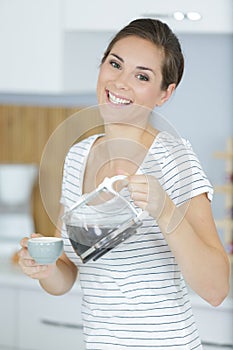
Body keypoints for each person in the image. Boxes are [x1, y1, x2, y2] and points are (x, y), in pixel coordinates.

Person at [18, 18, 230, 349]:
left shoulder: (174, 158)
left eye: (142, 76)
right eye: (115, 64)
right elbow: (67, 273)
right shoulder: (78, 156)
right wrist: (44, 268)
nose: (120, 82)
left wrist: (164, 209)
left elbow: (216, 289)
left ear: (164, 93)